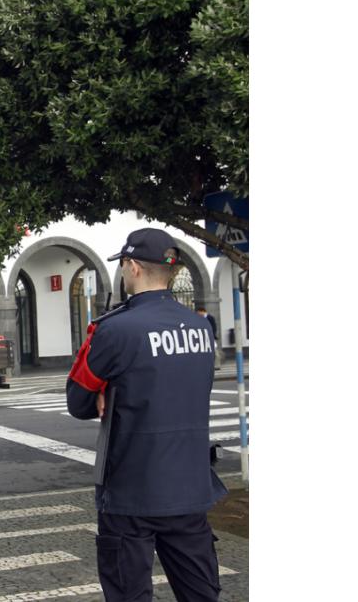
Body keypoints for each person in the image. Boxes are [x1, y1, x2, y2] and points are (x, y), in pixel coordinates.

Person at [66, 228, 227, 602]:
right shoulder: (200, 327)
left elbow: (78, 401)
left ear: (133, 266)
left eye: (123, 265)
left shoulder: (114, 329)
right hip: (189, 486)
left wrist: (106, 388)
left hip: (131, 491)